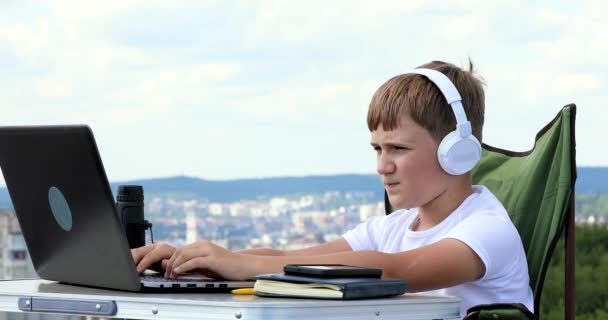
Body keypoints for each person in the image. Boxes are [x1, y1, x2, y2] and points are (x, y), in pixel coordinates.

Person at [132, 60, 534, 316]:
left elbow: (392, 271)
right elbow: (297, 258)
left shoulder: (486, 230)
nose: (382, 165)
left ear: (457, 153)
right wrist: (198, 259)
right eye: (377, 148)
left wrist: (242, 266)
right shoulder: (392, 228)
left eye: (398, 148)